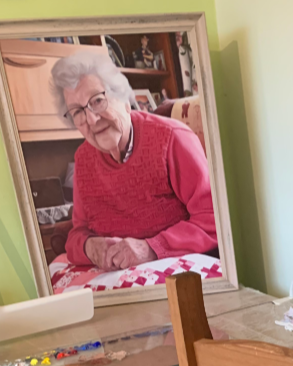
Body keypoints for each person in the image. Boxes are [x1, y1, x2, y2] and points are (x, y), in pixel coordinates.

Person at [51, 52, 217, 271]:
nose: (91, 119)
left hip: (175, 270)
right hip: (116, 275)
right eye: (77, 112)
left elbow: (213, 220)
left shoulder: (172, 138)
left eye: (98, 101)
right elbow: (77, 233)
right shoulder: (83, 159)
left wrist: (151, 248)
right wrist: (89, 247)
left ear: (124, 100)